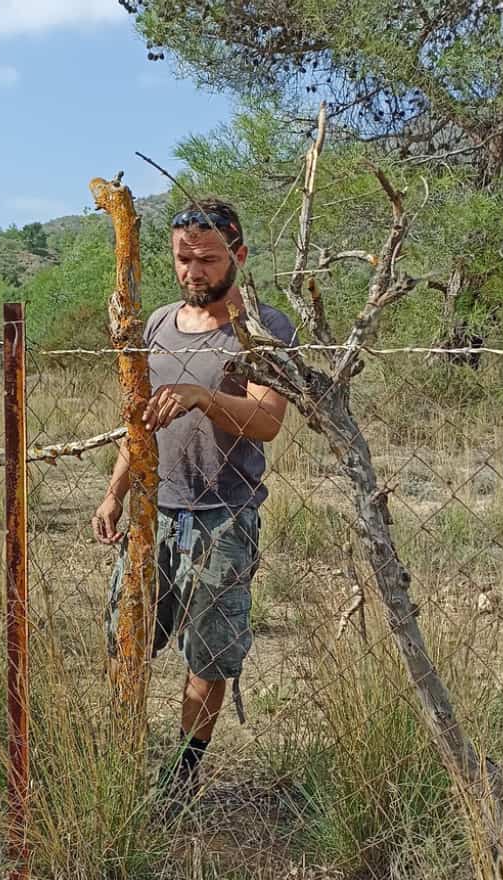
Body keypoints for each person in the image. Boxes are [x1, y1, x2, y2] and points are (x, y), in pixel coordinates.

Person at [92, 198, 295, 794]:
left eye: (207, 259)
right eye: (184, 259)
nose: (193, 272)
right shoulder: (155, 324)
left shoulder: (263, 328)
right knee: (125, 637)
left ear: (239, 255)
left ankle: (182, 774)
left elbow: (267, 421)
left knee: (208, 655)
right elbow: (140, 422)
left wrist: (204, 397)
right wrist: (114, 494)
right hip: (154, 511)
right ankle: (120, 760)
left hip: (223, 516)